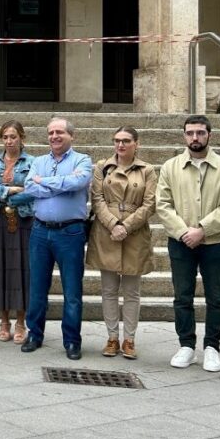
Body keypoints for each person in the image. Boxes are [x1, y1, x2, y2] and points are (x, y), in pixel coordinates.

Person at [156, 114, 220, 372]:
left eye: (200, 133)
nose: (195, 137)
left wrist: (202, 230)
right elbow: (163, 204)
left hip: (214, 242)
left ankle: (212, 346)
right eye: (190, 133)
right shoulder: (170, 167)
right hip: (180, 242)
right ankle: (186, 345)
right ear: (184, 135)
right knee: (182, 295)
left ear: (209, 135)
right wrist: (184, 232)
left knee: (216, 297)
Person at [21, 117, 92, 360]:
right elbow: (30, 187)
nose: (54, 136)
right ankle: (35, 334)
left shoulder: (82, 160)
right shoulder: (39, 161)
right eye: (51, 132)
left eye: (59, 132)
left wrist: (46, 182)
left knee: (72, 290)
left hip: (70, 232)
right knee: (38, 287)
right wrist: (60, 184)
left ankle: (72, 340)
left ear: (71, 135)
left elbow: (78, 182)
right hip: (40, 231)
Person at [87, 126, 157, 359]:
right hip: (107, 232)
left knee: (131, 291)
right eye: (117, 140)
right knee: (108, 290)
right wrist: (113, 224)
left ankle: (129, 339)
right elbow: (96, 199)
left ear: (136, 143)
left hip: (134, 233)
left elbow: (150, 204)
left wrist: (126, 226)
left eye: (126, 141)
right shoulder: (102, 167)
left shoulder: (147, 170)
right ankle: (111, 337)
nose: (121, 145)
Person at [0, 120, 35, 344]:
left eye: (13, 136)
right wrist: (9, 190)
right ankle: (3, 320)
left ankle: (21, 322)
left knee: (23, 270)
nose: (9, 141)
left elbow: (33, 191)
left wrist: (4, 193)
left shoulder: (33, 162)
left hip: (24, 220)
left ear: (21, 138)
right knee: (1, 269)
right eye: (5, 137)